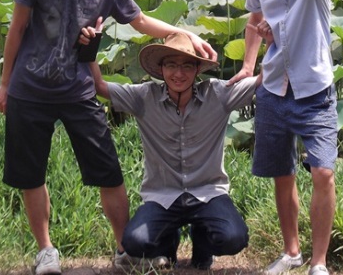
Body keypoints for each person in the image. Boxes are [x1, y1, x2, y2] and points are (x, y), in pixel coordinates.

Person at [0, 0, 217, 275]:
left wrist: (183, 33)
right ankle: (46, 250)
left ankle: (125, 248)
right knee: (31, 175)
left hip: (79, 89)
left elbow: (139, 21)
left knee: (109, 172)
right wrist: (5, 84)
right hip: (29, 89)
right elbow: (16, 29)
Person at [89, 31, 259, 271]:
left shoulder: (218, 95)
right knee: (134, 242)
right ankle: (167, 243)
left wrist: (274, 42)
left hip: (207, 193)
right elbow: (99, 86)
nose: (179, 73)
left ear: (197, 69)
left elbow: (262, 81)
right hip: (163, 197)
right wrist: (89, 46)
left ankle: (202, 241)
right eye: (171, 65)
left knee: (234, 238)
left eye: (187, 66)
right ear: (161, 69)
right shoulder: (144, 97)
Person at [228, 0, 337, 275]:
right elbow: (255, 18)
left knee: (323, 173)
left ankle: (319, 262)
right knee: (282, 172)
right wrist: (248, 66)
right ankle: (292, 252)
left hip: (314, 90)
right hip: (273, 88)